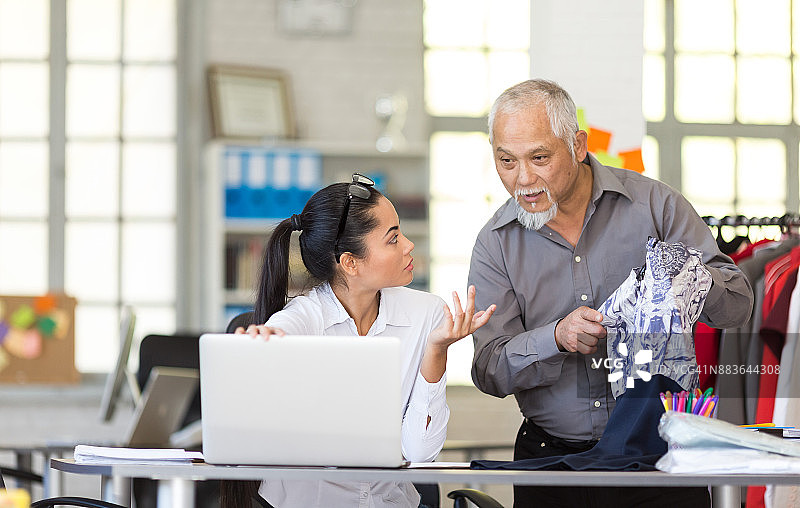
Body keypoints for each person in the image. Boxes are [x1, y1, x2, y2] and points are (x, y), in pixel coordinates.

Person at [468, 79, 754, 508]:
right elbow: (489, 370)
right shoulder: (495, 244)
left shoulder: (657, 208)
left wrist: (690, 279)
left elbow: (738, 306)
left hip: (662, 459)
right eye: (506, 160)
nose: (523, 179)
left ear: (578, 145)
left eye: (539, 158)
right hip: (552, 464)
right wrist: (555, 338)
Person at [225, 173, 496, 508]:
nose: (409, 245)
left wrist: (436, 350)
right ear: (350, 263)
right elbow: (283, 330)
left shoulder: (427, 314)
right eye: (393, 239)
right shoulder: (306, 316)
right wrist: (266, 341)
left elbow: (421, 454)